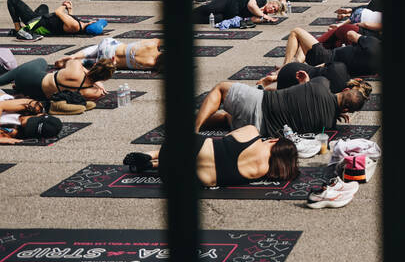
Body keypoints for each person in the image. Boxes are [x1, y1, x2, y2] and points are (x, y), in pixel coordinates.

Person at [123, 125, 299, 187]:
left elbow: (227, 138)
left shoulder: (252, 133)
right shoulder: (263, 171)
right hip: (178, 178)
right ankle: (153, 165)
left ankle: (150, 154)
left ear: (275, 140)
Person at [193, 77, 372, 136]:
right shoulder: (328, 124)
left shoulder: (321, 83)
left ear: (345, 89)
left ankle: (195, 129)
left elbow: (310, 91)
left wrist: (305, 83)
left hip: (260, 102)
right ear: (346, 110)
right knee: (227, 118)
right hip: (259, 130)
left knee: (221, 88)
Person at [0, 56, 113, 109]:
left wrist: (84, 69)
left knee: (42, 61)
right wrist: (96, 84)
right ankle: (18, 88)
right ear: (104, 79)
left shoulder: (76, 67)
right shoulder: (94, 92)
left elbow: (59, 63)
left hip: (27, 78)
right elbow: (89, 83)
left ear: (94, 65)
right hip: (36, 95)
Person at [54, 37, 162, 71]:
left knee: (97, 48)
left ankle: (74, 56)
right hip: (108, 61)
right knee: (92, 62)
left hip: (108, 46)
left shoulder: (153, 43)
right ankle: (77, 62)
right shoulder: (152, 64)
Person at [7, 0, 86, 38]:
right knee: (44, 6)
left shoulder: (75, 26)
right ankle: (29, 23)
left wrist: (64, 5)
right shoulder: (76, 26)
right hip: (43, 19)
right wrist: (69, 9)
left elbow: (58, 12)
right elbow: (69, 20)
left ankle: (19, 28)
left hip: (37, 22)